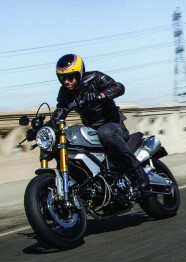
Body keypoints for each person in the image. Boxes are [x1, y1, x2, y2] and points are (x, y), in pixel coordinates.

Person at [52, 53, 149, 191]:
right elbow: (60, 111)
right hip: (92, 132)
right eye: (62, 78)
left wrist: (100, 95)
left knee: (106, 132)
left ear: (79, 73)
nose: (66, 81)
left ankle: (138, 172)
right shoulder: (64, 92)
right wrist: (44, 126)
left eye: (69, 77)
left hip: (114, 127)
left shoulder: (95, 78)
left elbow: (119, 87)